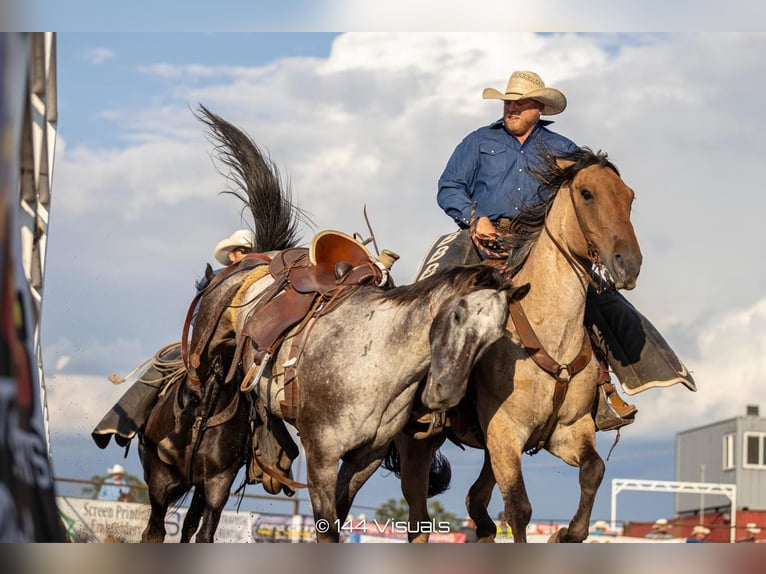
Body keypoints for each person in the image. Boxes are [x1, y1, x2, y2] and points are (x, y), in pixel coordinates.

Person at [435, 70, 637, 426]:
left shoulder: (564, 150)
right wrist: (474, 217)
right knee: (438, 291)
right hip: (483, 235)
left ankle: (603, 386)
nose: (511, 108)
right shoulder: (478, 141)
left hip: (540, 244)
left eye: (521, 103)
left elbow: (587, 200)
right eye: (508, 102)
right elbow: (449, 186)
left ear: (539, 108)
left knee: (590, 301)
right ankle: (426, 389)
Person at [157, 229, 255, 467]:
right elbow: (197, 316)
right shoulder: (216, 278)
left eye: (250, 252)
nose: (246, 256)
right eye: (242, 251)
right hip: (207, 344)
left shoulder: (260, 283)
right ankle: (123, 423)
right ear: (232, 255)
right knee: (163, 365)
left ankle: (262, 460)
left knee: (262, 399)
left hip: (243, 353)